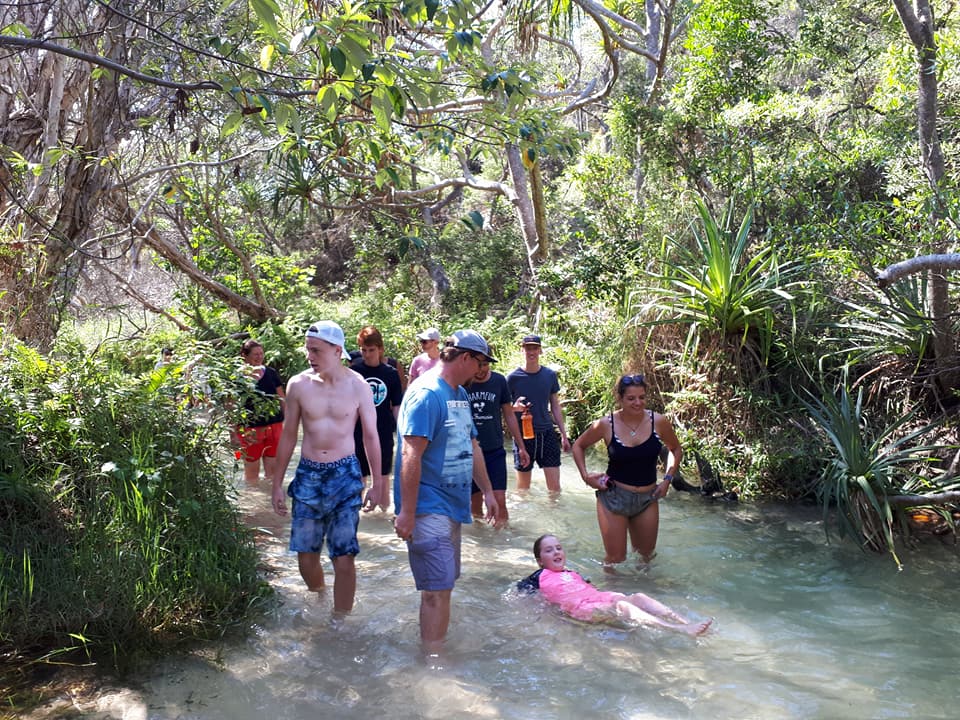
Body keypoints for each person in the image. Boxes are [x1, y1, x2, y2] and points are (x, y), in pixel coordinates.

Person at [393, 329, 501, 652]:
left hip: (453, 505)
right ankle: (433, 664)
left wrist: (489, 492)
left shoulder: (460, 395)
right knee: (436, 591)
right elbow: (411, 454)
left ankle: (433, 649)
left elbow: (472, 445)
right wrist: (407, 513)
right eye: (480, 363)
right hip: (427, 506)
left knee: (444, 585)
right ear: (466, 358)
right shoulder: (426, 394)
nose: (482, 371)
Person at [270, 321, 388, 613]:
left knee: (344, 555)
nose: (310, 356)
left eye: (316, 350)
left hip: (345, 474)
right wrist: (276, 485)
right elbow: (288, 436)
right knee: (305, 556)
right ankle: (320, 596)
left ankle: (340, 622)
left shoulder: (358, 385)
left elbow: (372, 436)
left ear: (337, 351)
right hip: (308, 474)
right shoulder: (298, 385)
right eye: (308, 349)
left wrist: (378, 483)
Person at [571, 373, 682, 565]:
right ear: (620, 398)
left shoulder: (659, 422)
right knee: (615, 559)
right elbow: (578, 445)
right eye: (631, 398)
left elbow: (675, 449)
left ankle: (646, 594)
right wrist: (585, 476)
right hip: (613, 497)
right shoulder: (606, 424)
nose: (638, 403)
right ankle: (610, 595)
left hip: (648, 498)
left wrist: (667, 480)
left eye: (642, 397)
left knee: (646, 558)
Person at [519, 534, 711, 635]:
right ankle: (678, 630)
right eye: (549, 550)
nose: (556, 552)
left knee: (638, 597)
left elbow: (591, 588)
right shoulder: (539, 576)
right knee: (623, 606)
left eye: (558, 548)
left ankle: (685, 621)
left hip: (597, 599)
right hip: (580, 608)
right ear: (540, 560)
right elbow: (519, 592)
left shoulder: (572, 573)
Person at [466, 356, 529, 523]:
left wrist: (521, 446)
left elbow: (509, 414)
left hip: (495, 450)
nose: (481, 370)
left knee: (500, 499)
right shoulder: (464, 383)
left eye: (485, 365)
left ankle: (503, 541)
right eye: (477, 365)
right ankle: (482, 543)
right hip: (470, 451)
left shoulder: (499, 381)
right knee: (475, 502)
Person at [506, 335, 571, 492]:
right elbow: (505, 409)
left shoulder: (549, 376)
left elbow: (555, 405)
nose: (531, 351)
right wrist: (516, 408)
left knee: (555, 490)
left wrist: (563, 434)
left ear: (540, 350)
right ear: (523, 350)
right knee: (523, 490)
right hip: (523, 437)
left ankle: (555, 516)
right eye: (528, 348)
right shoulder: (512, 378)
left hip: (546, 434)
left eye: (535, 348)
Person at [350, 326, 404, 491]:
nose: (367, 354)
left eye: (371, 350)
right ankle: (358, 513)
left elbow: (396, 406)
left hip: (383, 430)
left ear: (380, 349)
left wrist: (402, 431)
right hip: (358, 431)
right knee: (358, 477)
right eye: (363, 350)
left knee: (382, 477)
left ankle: (381, 513)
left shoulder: (391, 373)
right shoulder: (354, 372)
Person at [233, 339, 286, 484]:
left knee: (273, 476)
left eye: (261, 354)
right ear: (244, 355)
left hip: (274, 427)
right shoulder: (237, 377)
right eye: (255, 354)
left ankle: (270, 505)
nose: (259, 357)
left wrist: (288, 424)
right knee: (251, 476)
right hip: (249, 429)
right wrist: (233, 434)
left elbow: (282, 398)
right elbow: (230, 406)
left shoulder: (271, 373)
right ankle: (253, 505)